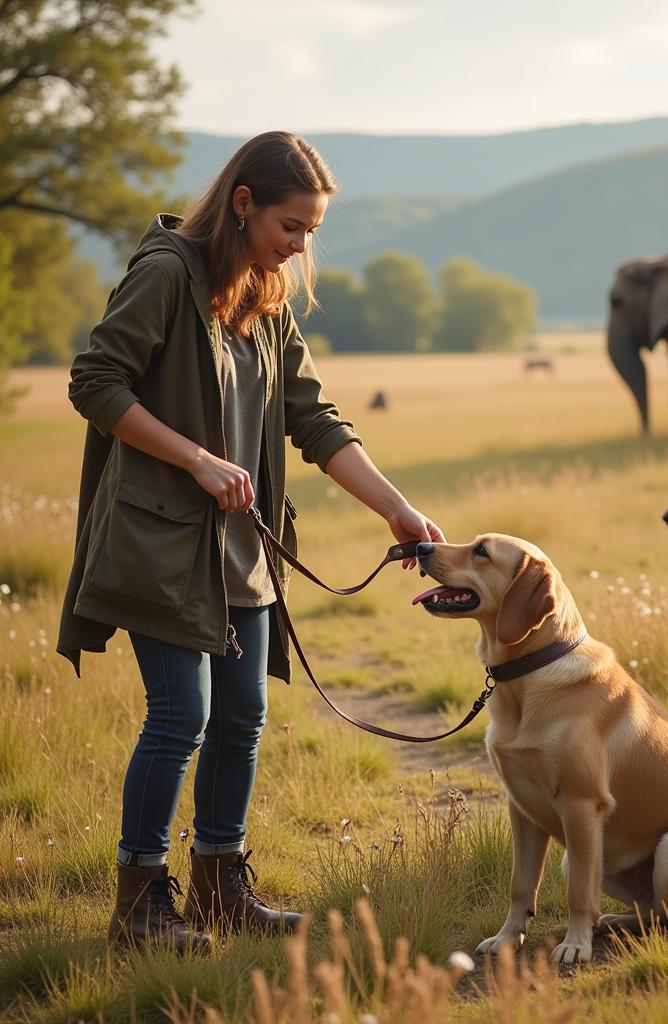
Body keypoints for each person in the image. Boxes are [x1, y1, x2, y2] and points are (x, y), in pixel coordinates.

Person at [56, 132, 444, 952]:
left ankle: (223, 888)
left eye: (310, 231)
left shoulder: (264, 300)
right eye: (291, 225)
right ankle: (139, 906)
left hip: (244, 552)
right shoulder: (165, 274)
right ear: (243, 203)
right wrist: (198, 460)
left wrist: (396, 509)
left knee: (243, 718)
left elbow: (313, 418)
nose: (300, 245)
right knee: (180, 717)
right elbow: (94, 382)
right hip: (161, 546)